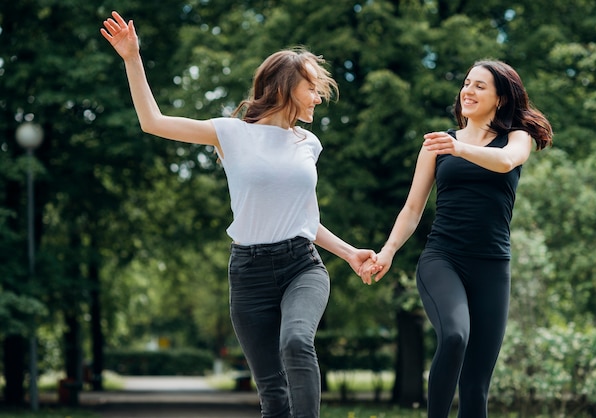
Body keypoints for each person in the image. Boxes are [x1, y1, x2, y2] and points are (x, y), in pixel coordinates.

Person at [100, 11, 377, 418]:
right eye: (313, 88)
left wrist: (350, 253)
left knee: (297, 342)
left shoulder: (309, 143)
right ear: (287, 85)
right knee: (273, 397)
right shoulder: (231, 133)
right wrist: (132, 58)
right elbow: (152, 122)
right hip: (249, 274)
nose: (319, 98)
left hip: (303, 265)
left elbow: (300, 218)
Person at [363, 60, 553, 417]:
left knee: (476, 386)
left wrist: (460, 149)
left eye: (480, 86)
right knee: (454, 335)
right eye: (467, 83)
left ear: (500, 98)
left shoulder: (515, 138)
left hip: (493, 267)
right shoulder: (439, 143)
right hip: (442, 259)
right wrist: (387, 251)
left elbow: (506, 162)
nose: (468, 91)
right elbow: (413, 208)